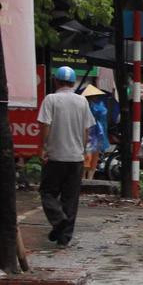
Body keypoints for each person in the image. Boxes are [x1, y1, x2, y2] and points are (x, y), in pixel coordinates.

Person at [36, 66, 92, 246]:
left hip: (55, 156)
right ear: (73, 82)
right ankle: (64, 237)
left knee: (47, 192)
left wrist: (43, 148)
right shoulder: (82, 101)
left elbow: (45, 126)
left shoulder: (51, 99)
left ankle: (59, 219)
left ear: (56, 81)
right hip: (76, 158)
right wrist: (82, 151)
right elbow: (86, 130)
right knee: (71, 198)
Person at [81, 85, 110, 180]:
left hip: (96, 135)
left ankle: (88, 178)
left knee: (92, 158)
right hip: (90, 134)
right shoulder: (87, 106)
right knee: (88, 158)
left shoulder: (97, 105)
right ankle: (86, 179)